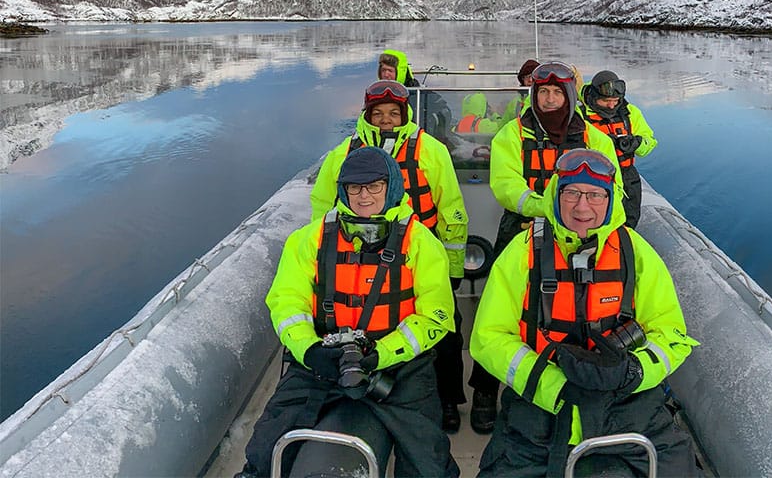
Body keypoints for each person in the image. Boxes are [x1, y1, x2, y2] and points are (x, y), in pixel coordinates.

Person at [470, 149, 699, 477]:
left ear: (610, 201)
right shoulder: (520, 254)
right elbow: (488, 337)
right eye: (572, 193)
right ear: (555, 194)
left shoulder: (636, 254)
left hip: (626, 404)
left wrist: (633, 372)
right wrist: (554, 385)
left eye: (594, 195)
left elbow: (671, 333)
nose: (582, 207)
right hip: (542, 403)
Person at [237, 147, 459, 478]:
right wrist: (310, 350)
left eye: (374, 186)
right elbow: (286, 301)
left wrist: (381, 354)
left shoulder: (422, 243)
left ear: (392, 187)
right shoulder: (308, 240)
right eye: (354, 187)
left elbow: (436, 315)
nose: (363, 196)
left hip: (400, 368)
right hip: (321, 361)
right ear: (343, 189)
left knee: (430, 465)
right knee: (264, 449)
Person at [467, 60, 622, 434]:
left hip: (581, 236)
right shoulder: (512, 135)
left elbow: (612, 192)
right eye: (543, 92)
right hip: (522, 229)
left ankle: (575, 377)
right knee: (501, 310)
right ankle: (485, 391)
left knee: (575, 309)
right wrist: (551, 208)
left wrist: (582, 219)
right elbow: (506, 186)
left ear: (569, 94)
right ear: (533, 95)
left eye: (556, 92)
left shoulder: (595, 138)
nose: (549, 99)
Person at [310, 80, 469, 432]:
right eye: (378, 114)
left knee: (447, 332)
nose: (385, 120)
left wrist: (452, 267)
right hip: (358, 259)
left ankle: (448, 398)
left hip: (419, 257)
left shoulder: (430, 150)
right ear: (367, 115)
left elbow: (451, 209)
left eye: (393, 114)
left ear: (404, 114)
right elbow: (322, 209)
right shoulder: (342, 155)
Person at [580, 70, 657, 228]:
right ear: (593, 97)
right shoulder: (579, 116)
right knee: (595, 224)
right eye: (606, 101)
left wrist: (635, 143)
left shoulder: (630, 113)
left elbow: (650, 142)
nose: (611, 105)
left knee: (629, 221)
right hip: (592, 179)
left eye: (615, 100)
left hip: (627, 176)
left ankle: (622, 247)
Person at [499, 58, 539, 126]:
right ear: (522, 80)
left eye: (533, 76)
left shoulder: (547, 99)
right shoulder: (514, 103)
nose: (530, 80)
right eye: (526, 77)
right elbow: (503, 125)